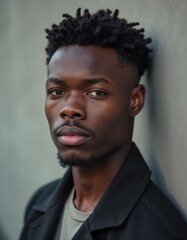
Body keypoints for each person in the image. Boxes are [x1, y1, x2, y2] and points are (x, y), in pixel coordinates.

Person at [19, 8, 187, 240]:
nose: (70, 108)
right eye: (57, 91)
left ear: (135, 101)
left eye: (96, 92)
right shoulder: (39, 204)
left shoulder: (157, 230)